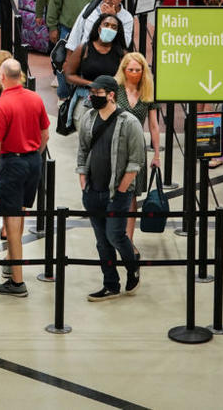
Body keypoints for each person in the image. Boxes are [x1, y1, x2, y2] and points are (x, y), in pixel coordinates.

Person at [0, 59, 49, 297]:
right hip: (34, 161)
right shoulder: (35, 99)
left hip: (12, 165)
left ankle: (17, 282)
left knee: (11, 220)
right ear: (21, 76)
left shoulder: (1, 106)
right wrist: (33, 154)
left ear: (2, 77)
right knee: (20, 214)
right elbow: (45, 134)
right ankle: (13, 261)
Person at [76, 74, 144, 301]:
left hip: (117, 193)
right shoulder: (88, 118)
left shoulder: (129, 122)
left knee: (115, 235)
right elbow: (83, 151)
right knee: (102, 242)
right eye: (92, 93)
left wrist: (123, 189)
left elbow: (136, 161)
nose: (93, 97)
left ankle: (132, 264)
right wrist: (83, 182)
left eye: (98, 93)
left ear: (111, 95)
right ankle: (110, 284)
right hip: (93, 192)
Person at [114, 53, 161, 245]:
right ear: (124, 70)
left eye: (138, 70)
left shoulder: (147, 92)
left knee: (132, 194)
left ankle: (128, 239)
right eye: (130, 70)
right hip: (116, 145)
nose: (134, 73)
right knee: (115, 191)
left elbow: (154, 125)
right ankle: (114, 236)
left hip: (137, 148)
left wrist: (156, 154)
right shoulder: (115, 89)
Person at [64, 13, 127, 127]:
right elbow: (69, 75)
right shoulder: (84, 48)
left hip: (111, 102)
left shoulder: (121, 54)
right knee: (86, 139)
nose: (109, 29)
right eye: (106, 25)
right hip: (86, 100)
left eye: (114, 27)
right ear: (99, 28)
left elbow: (126, 79)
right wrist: (92, 84)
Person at [65, 0, 134, 52]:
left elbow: (125, 43)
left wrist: (113, 17)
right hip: (87, 54)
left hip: (111, 57)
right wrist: (69, 54)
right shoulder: (91, 8)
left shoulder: (127, 18)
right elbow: (76, 31)